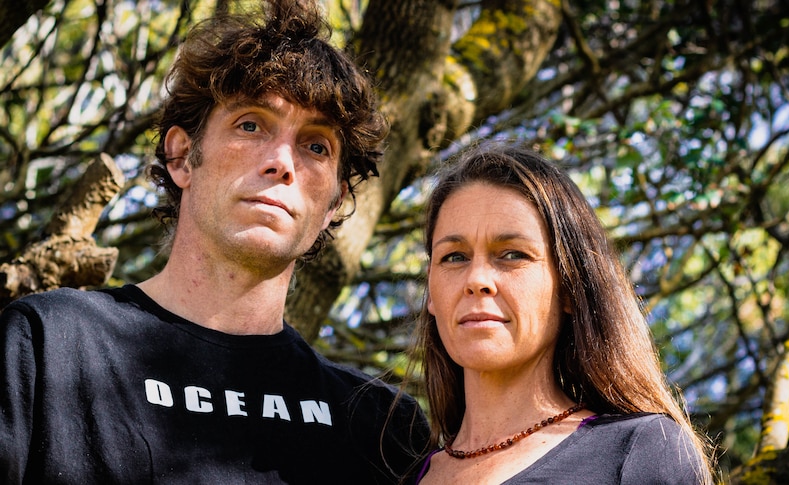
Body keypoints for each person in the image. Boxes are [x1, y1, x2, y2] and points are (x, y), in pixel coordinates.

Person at [0, 1, 429, 483]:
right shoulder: (47, 345)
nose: (283, 162)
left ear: (334, 202)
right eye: (251, 125)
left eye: (316, 146)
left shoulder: (380, 427)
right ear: (182, 155)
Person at [411, 143, 713, 484]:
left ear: (569, 288)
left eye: (512, 254)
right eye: (454, 257)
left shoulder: (639, 452)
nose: (477, 279)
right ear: (431, 295)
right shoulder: (400, 473)